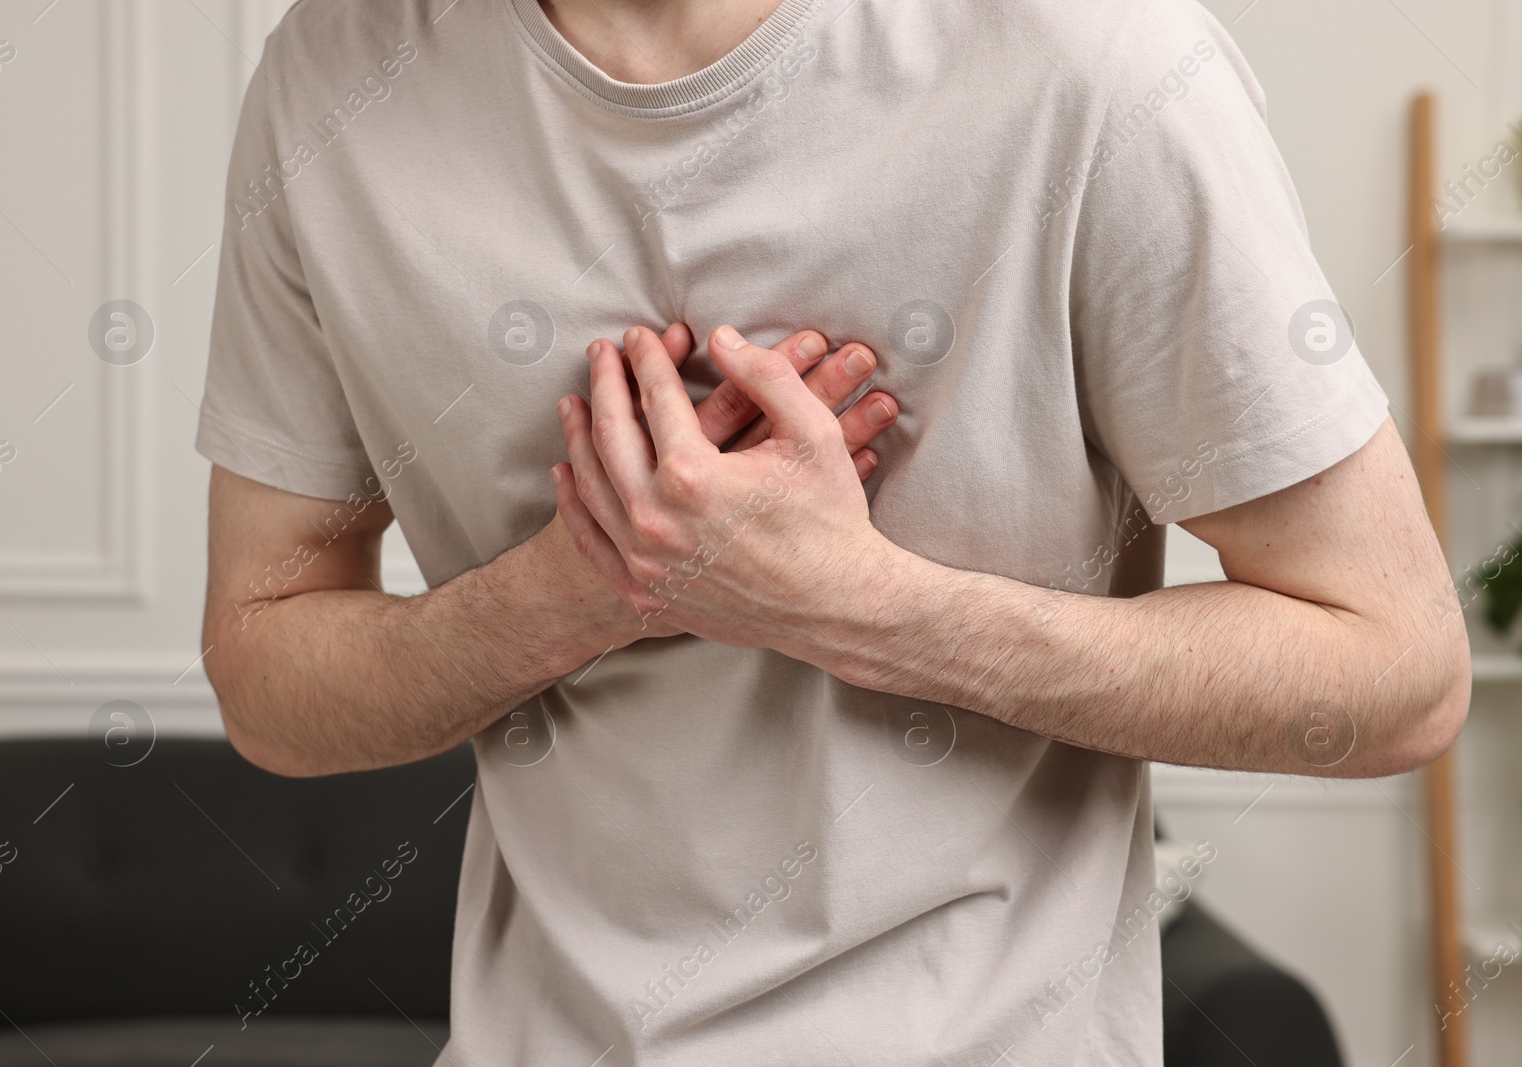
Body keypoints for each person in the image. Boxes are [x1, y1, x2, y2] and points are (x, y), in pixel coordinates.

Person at [195, 0, 1470, 1063]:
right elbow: (265, 674)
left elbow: (1394, 671)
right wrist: (586, 584)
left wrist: (854, 605)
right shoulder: (330, 77)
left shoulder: (1093, 61)